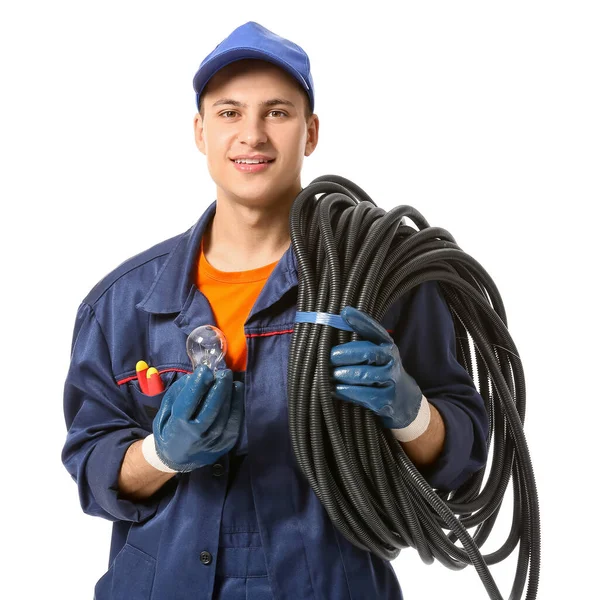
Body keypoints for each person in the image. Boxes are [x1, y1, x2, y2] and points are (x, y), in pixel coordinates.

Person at [61, 21, 489, 600]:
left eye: (277, 113)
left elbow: (463, 458)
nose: (253, 135)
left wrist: (410, 414)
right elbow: (92, 463)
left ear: (310, 133)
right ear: (200, 131)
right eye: (230, 113)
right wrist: (160, 455)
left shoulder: (385, 284)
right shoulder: (123, 303)